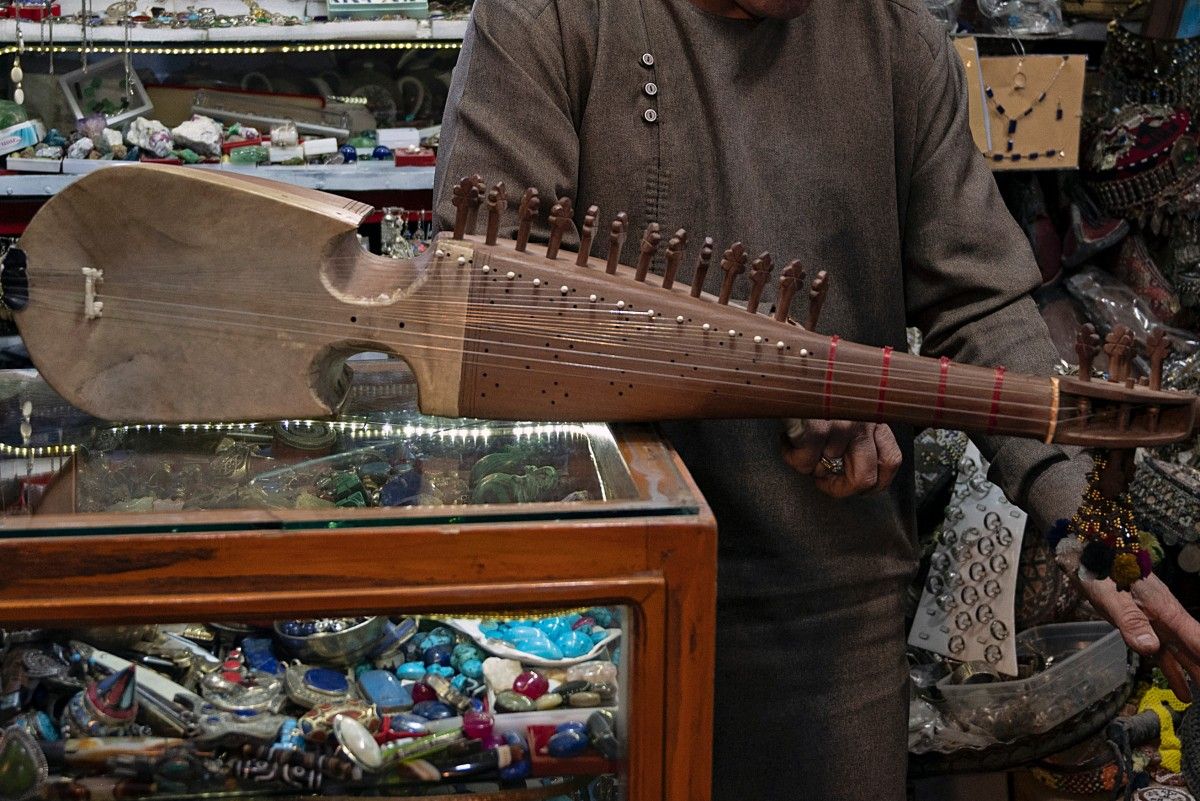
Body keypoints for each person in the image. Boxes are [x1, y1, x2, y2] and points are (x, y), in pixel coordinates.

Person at [432, 1, 1200, 797]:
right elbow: (487, 311)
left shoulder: (894, 36)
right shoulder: (546, 17)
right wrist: (774, 380)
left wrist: (1081, 515)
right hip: (588, 613)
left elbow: (981, 303)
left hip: (830, 608)